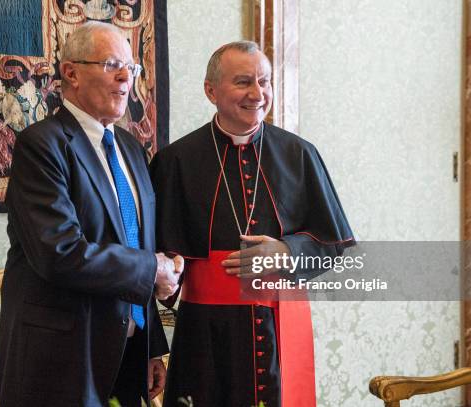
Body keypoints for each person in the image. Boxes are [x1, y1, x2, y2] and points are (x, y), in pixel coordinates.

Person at [151, 41, 355, 407]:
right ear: (210, 90)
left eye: (265, 81)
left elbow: (333, 244)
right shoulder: (175, 160)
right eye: (244, 82)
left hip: (278, 327)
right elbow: (157, 255)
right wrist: (169, 277)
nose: (258, 93)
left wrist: (287, 251)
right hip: (205, 333)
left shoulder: (299, 154)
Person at [0, 21, 182, 407]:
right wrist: (153, 270)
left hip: (125, 357)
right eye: (113, 64)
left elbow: (135, 241)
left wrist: (149, 346)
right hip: (59, 363)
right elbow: (59, 253)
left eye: (133, 68)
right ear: (71, 73)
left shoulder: (130, 147)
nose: (127, 77)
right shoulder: (41, 145)